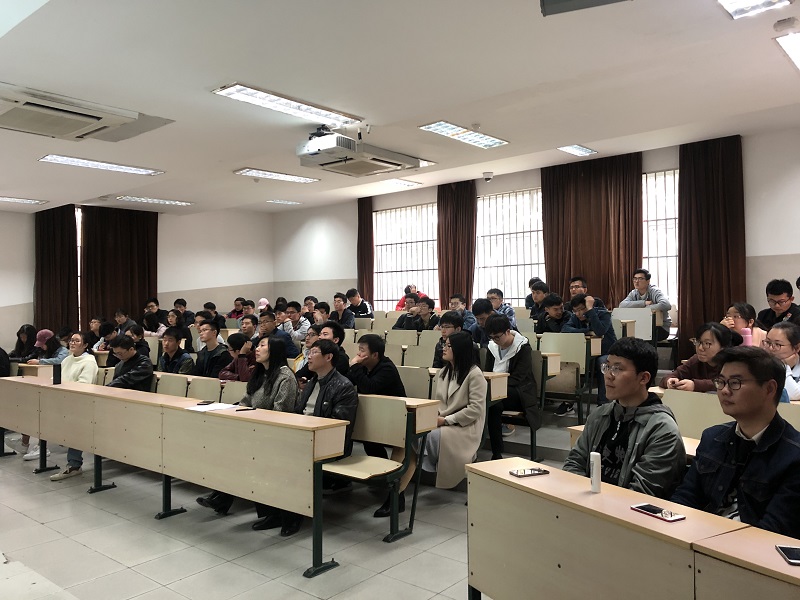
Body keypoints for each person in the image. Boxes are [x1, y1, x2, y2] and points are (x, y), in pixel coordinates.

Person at [671, 346, 800, 537]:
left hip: (749, 550)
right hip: (696, 540)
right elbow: (685, 498)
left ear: (770, 389)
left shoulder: (793, 456)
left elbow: (773, 531)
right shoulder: (712, 438)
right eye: (721, 382)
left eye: (735, 383)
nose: (724, 391)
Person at [564, 337, 686, 498]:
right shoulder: (600, 415)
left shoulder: (662, 430)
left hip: (624, 510)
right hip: (587, 505)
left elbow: (641, 492)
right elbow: (574, 463)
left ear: (643, 378)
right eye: (607, 367)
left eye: (617, 369)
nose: (608, 375)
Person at [198, 336, 299, 520]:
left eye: (262, 346)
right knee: (226, 448)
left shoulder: (285, 377)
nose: (257, 349)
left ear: (274, 351)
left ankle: (225, 499)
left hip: (274, 434)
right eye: (258, 345)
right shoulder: (260, 373)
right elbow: (245, 402)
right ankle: (222, 496)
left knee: (240, 453)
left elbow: (281, 414)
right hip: (254, 430)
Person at [422, 331, 487, 489]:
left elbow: (475, 409)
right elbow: (439, 402)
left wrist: (445, 420)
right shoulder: (444, 372)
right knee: (415, 431)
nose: (444, 349)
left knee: (431, 436)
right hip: (444, 421)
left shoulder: (475, 374)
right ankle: (422, 466)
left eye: (449, 346)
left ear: (459, 349)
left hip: (465, 426)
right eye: (444, 345)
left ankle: (429, 465)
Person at [484, 314, 540, 460]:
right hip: (495, 391)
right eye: (492, 337)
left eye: (497, 337)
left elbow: (518, 378)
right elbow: (487, 371)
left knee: (492, 402)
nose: (495, 341)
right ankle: (495, 452)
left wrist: (497, 386)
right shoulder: (492, 347)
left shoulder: (522, 347)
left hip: (519, 392)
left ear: (508, 331)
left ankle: (495, 451)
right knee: (493, 404)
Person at [48, 332, 99, 478]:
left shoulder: (89, 362)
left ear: (85, 345)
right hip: (63, 399)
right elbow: (56, 378)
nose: (72, 343)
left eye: (77, 341)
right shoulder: (67, 359)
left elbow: (84, 385)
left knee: (75, 428)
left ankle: (74, 464)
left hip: (80, 403)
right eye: (71, 340)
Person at [562, 293, 618, 407]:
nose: (578, 314)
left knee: (602, 362)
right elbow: (565, 329)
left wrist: (590, 311)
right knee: (571, 361)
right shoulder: (575, 317)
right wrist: (586, 331)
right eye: (575, 311)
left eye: (581, 309)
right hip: (587, 352)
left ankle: (603, 402)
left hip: (607, 352)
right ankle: (569, 401)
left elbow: (600, 331)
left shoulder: (603, 314)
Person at [661, 323, 736, 392]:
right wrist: (670, 381)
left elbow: (725, 383)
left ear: (723, 347)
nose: (700, 348)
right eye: (698, 342)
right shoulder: (696, 360)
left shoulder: (732, 363)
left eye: (707, 343)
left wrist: (695, 385)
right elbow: (672, 375)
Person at [618, 268, 672, 341]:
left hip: (660, 327)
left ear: (648, 281)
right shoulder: (634, 293)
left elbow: (666, 304)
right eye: (635, 279)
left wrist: (644, 310)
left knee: (637, 336)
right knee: (624, 333)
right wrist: (644, 303)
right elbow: (622, 305)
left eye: (640, 279)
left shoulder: (655, 291)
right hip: (642, 326)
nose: (636, 281)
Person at [761, 321, 800, 401]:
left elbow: (795, 394)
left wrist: (783, 366)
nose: (770, 348)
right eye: (768, 342)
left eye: (777, 344)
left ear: (796, 348)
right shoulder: (759, 364)